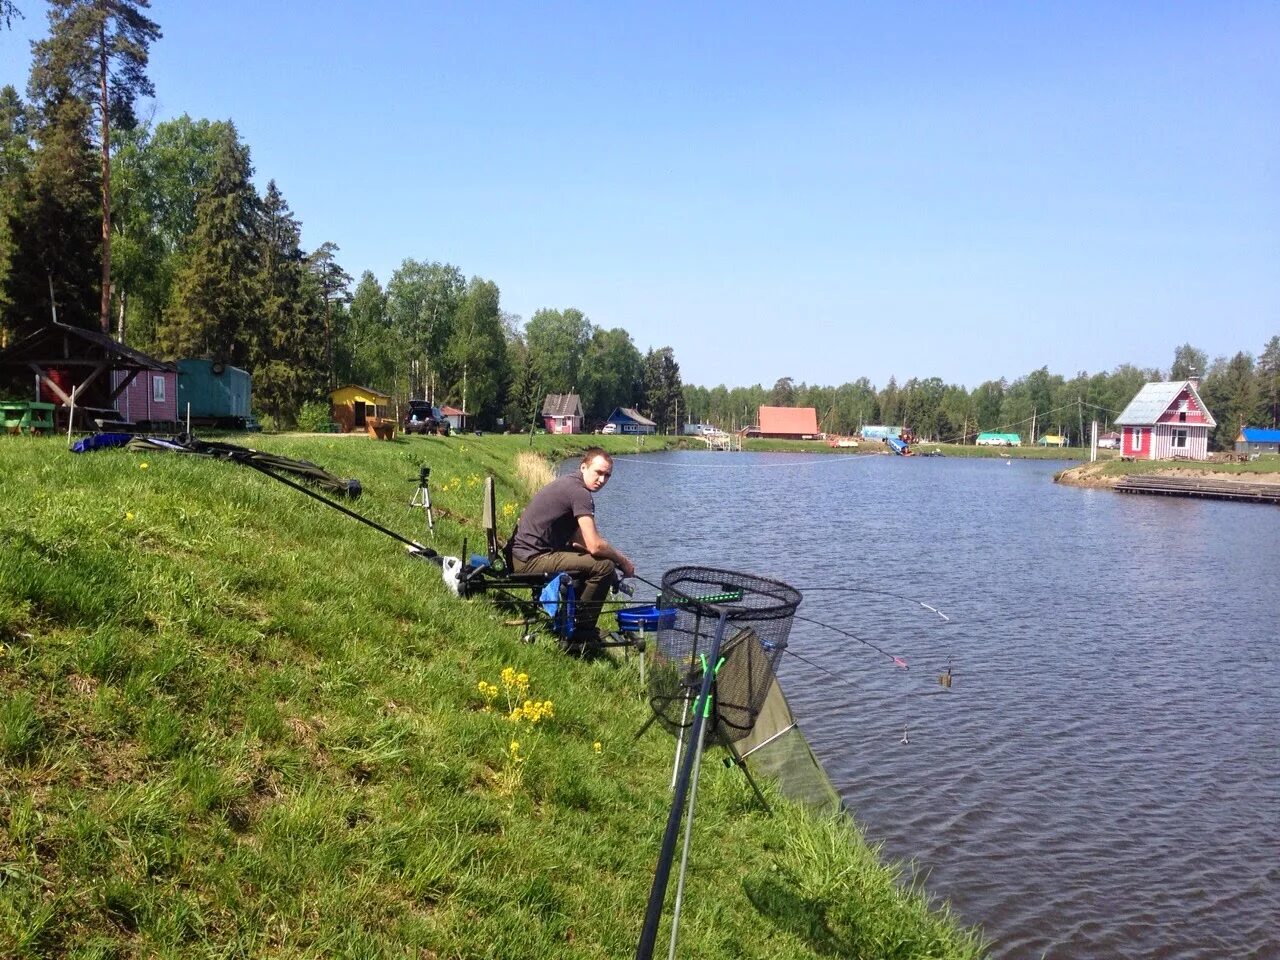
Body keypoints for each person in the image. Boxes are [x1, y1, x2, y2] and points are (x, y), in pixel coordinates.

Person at [509, 447, 635, 646]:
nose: (602, 480)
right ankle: (580, 632)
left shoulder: (569, 483)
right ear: (583, 467)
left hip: (520, 554)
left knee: (597, 561)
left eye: (607, 475)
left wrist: (601, 553)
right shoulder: (579, 493)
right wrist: (622, 560)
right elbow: (594, 545)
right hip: (529, 560)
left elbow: (581, 538)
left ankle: (569, 618)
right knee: (604, 567)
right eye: (598, 472)